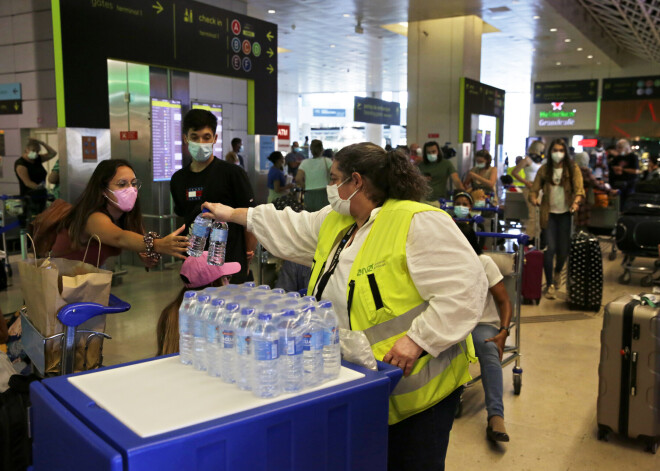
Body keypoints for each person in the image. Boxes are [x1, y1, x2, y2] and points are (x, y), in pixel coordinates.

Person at [201, 142, 487, 470]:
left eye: (335, 178)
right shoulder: (338, 220)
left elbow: (466, 288)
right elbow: (288, 225)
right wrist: (231, 214)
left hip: (420, 395)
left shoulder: (416, 222)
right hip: (365, 385)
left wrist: (419, 339)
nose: (330, 186)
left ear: (356, 181)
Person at [170, 109, 256, 283]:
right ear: (185, 138)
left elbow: (250, 218)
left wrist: (248, 254)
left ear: (215, 139)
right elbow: (183, 219)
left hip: (229, 264)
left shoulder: (232, 174)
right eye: (194, 137)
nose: (201, 142)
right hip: (194, 266)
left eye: (206, 137)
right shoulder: (178, 179)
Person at [50, 159, 188, 267]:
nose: (131, 189)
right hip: (63, 278)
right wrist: (158, 244)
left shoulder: (126, 214)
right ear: (103, 190)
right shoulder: (93, 217)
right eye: (122, 184)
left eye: (133, 183)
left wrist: (145, 254)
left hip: (90, 272)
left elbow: (137, 237)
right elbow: (119, 237)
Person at [455, 223, 512, 443]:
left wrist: (504, 332)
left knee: (489, 349)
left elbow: (504, 301)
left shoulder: (484, 263)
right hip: (451, 325)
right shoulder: (443, 265)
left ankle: (496, 416)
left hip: (481, 324)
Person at [529, 139, 585, 300]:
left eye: (561, 150)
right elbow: (534, 189)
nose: (558, 153)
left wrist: (575, 202)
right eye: (555, 150)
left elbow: (579, 189)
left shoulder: (572, 169)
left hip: (566, 214)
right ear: (550, 152)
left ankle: (558, 271)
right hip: (549, 214)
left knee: (563, 250)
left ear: (565, 152)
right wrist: (534, 198)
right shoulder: (544, 170)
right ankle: (550, 285)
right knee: (549, 249)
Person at [156, 254, 241, 356]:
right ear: (213, 285)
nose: (228, 284)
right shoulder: (218, 320)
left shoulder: (169, 313)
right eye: (225, 278)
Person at [14, 138, 57, 226]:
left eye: (37, 151)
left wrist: (42, 142)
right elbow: (28, 183)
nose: (36, 153)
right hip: (29, 198)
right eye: (33, 150)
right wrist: (43, 189)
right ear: (26, 149)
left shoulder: (37, 159)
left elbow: (53, 153)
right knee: (33, 224)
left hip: (41, 197)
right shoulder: (21, 164)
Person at [512, 141, 545, 243]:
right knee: (533, 214)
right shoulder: (527, 159)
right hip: (530, 188)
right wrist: (526, 182)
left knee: (539, 214)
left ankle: (537, 237)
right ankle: (529, 238)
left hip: (540, 189)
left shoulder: (540, 160)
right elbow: (515, 172)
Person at [295, 139, 332, 211]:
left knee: (310, 218)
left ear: (311, 150)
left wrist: (305, 185)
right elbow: (335, 175)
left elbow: (298, 179)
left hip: (309, 194)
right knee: (324, 217)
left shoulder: (304, 163)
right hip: (323, 194)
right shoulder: (327, 161)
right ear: (322, 149)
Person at [609, 139, 639, 205]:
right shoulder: (617, 158)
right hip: (617, 183)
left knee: (627, 202)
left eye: (620, 148)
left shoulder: (633, 157)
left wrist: (622, 169)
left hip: (629, 184)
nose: (618, 150)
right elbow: (612, 167)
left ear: (626, 148)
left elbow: (636, 171)